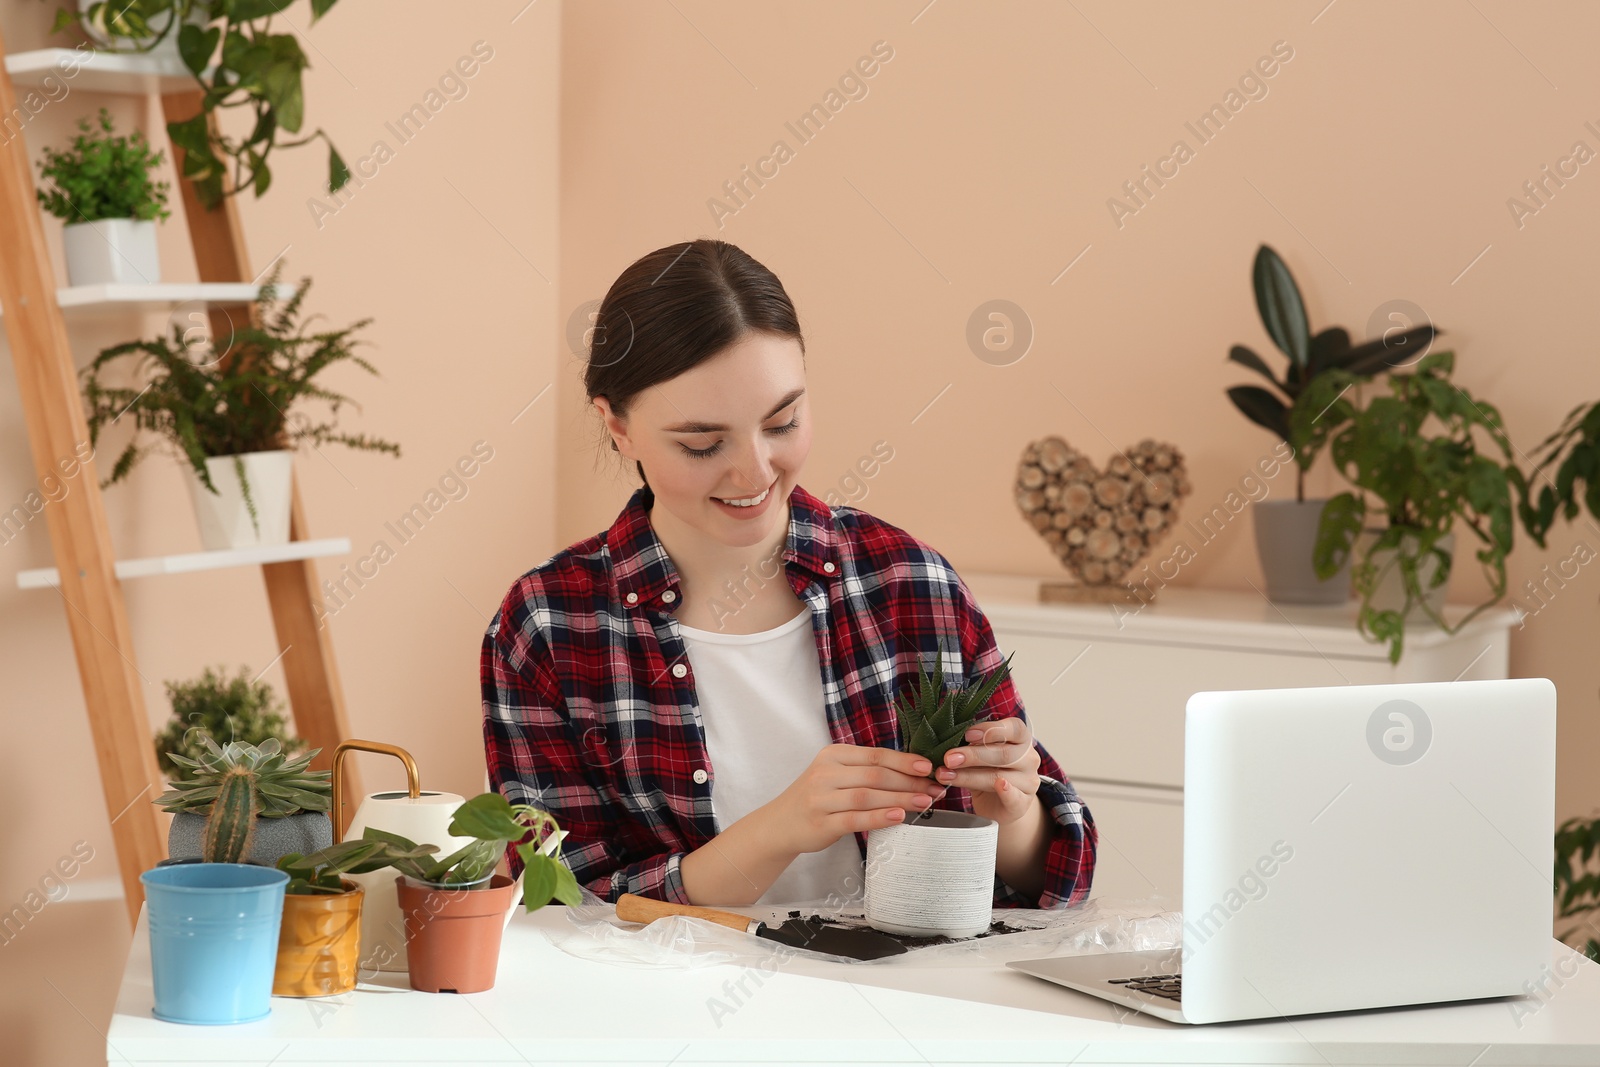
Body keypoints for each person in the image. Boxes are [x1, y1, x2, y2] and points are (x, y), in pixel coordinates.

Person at [481, 239, 1096, 908]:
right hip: (665, 1010)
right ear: (617, 425)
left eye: (783, 421)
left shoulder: (910, 584)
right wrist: (778, 829)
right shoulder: (546, 625)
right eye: (702, 442)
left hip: (910, 1003)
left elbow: (1055, 877)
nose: (756, 470)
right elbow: (563, 901)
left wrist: (1013, 812)